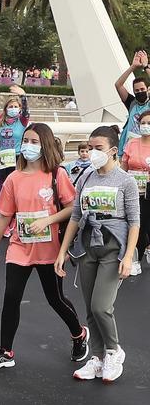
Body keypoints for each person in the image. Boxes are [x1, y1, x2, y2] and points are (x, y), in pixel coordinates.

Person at [0, 123, 88, 370]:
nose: (28, 146)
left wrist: (47, 221)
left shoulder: (56, 175)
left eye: (34, 141)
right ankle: (5, 351)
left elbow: (72, 208)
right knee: (11, 298)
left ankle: (79, 334)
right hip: (19, 247)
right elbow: (3, 216)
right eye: (26, 141)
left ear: (45, 145)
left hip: (49, 249)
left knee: (55, 298)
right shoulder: (13, 179)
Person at [55, 126, 140, 383]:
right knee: (90, 309)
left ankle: (114, 351)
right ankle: (97, 357)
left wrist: (128, 258)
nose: (92, 152)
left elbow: (135, 221)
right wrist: (63, 252)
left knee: (101, 307)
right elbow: (76, 217)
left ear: (113, 151)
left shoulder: (126, 181)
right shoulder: (85, 179)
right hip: (88, 249)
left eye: (98, 148)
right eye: (89, 147)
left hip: (113, 248)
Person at [119, 109, 150, 275]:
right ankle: (135, 259)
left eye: (149, 123)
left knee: (147, 225)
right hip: (133, 192)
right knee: (136, 224)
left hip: (149, 193)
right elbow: (124, 167)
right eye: (143, 123)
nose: (146, 126)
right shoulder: (132, 143)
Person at [113, 50, 150, 157]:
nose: (140, 92)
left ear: (147, 89)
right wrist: (133, 66)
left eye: (142, 89)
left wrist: (146, 66)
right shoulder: (132, 103)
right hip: (127, 147)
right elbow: (118, 85)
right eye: (137, 90)